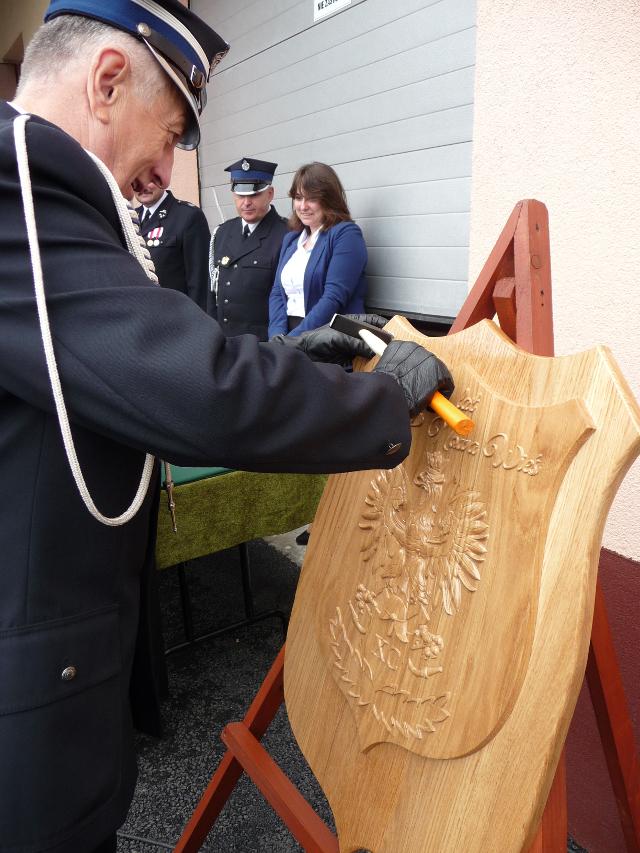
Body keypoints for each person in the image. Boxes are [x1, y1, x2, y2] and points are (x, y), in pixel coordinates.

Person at [0, 1, 454, 851]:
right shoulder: (18, 188)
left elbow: (135, 351)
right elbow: (195, 389)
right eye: (170, 134)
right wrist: (384, 400)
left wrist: (298, 356)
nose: (163, 170)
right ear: (107, 82)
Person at [268, 161, 367, 337]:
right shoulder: (291, 240)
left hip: (326, 337)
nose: (303, 206)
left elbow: (333, 297)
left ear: (329, 199)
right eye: (298, 198)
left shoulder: (346, 234)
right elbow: (277, 293)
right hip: (289, 336)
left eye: (312, 199)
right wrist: (277, 337)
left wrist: (294, 340)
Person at [208, 157, 290, 339]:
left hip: (263, 343)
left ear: (270, 194)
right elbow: (212, 293)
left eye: (253, 195)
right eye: (240, 195)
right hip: (225, 340)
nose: (246, 202)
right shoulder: (222, 232)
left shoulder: (287, 235)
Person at [135, 180, 211, 310]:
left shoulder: (187, 215)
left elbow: (200, 280)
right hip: (140, 312)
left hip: (174, 313)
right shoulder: (130, 217)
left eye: (149, 180)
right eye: (136, 181)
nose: (143, 187)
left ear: (162, 179)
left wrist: (196, 318)